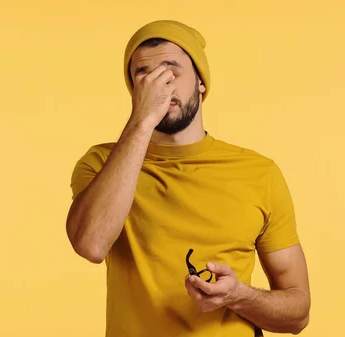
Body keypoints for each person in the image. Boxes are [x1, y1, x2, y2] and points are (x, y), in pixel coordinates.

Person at [66, 20, 311, 337]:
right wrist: (141, 122)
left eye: (172, 70)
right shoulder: (102, 164)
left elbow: (297, 314)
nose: (161, 84)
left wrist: (238, 296)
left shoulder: (259, 173)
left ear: (201, 82)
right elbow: (91, 245)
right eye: (144, 74)